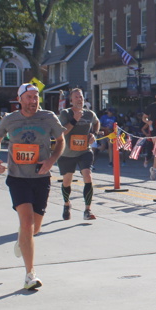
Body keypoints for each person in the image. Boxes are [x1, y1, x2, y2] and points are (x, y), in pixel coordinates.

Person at [0, 83, 65, 290]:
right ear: (20, 99)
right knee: (27, 222)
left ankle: (23, 239)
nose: (33, 101)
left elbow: (61, 141)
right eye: (29, 97)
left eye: (36, 97)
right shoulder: (10, 119)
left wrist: (51, 160)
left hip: (41, 177)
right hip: (18, 177)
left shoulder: (48, 117)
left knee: (35, 228)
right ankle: (29, 274)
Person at [57, 88, 100, 220]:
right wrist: (74, 120)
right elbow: (62, 132)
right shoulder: (65, 113)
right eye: (76, 97)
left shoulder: (89, 114)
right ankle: (66, 204)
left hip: (84, 151)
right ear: (71, 100)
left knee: (88, 175)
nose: (79, 99)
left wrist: (94, 134)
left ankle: (87, 210)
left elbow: (97, 122)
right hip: (67, 153)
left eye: (80, 97)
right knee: (67, 180)